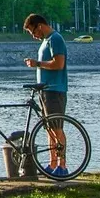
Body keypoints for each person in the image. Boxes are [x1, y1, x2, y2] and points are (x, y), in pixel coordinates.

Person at [22, 12, 69, 173]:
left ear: (40, 26)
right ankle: (53, 164)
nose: (33, 36)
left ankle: (63, 166)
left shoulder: (55, 39)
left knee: (57, 129)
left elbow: (59, 64)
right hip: (45, 90)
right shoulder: (45, 41)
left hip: (55, 89)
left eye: (32, 32)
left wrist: (37, 63)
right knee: (49, 130)